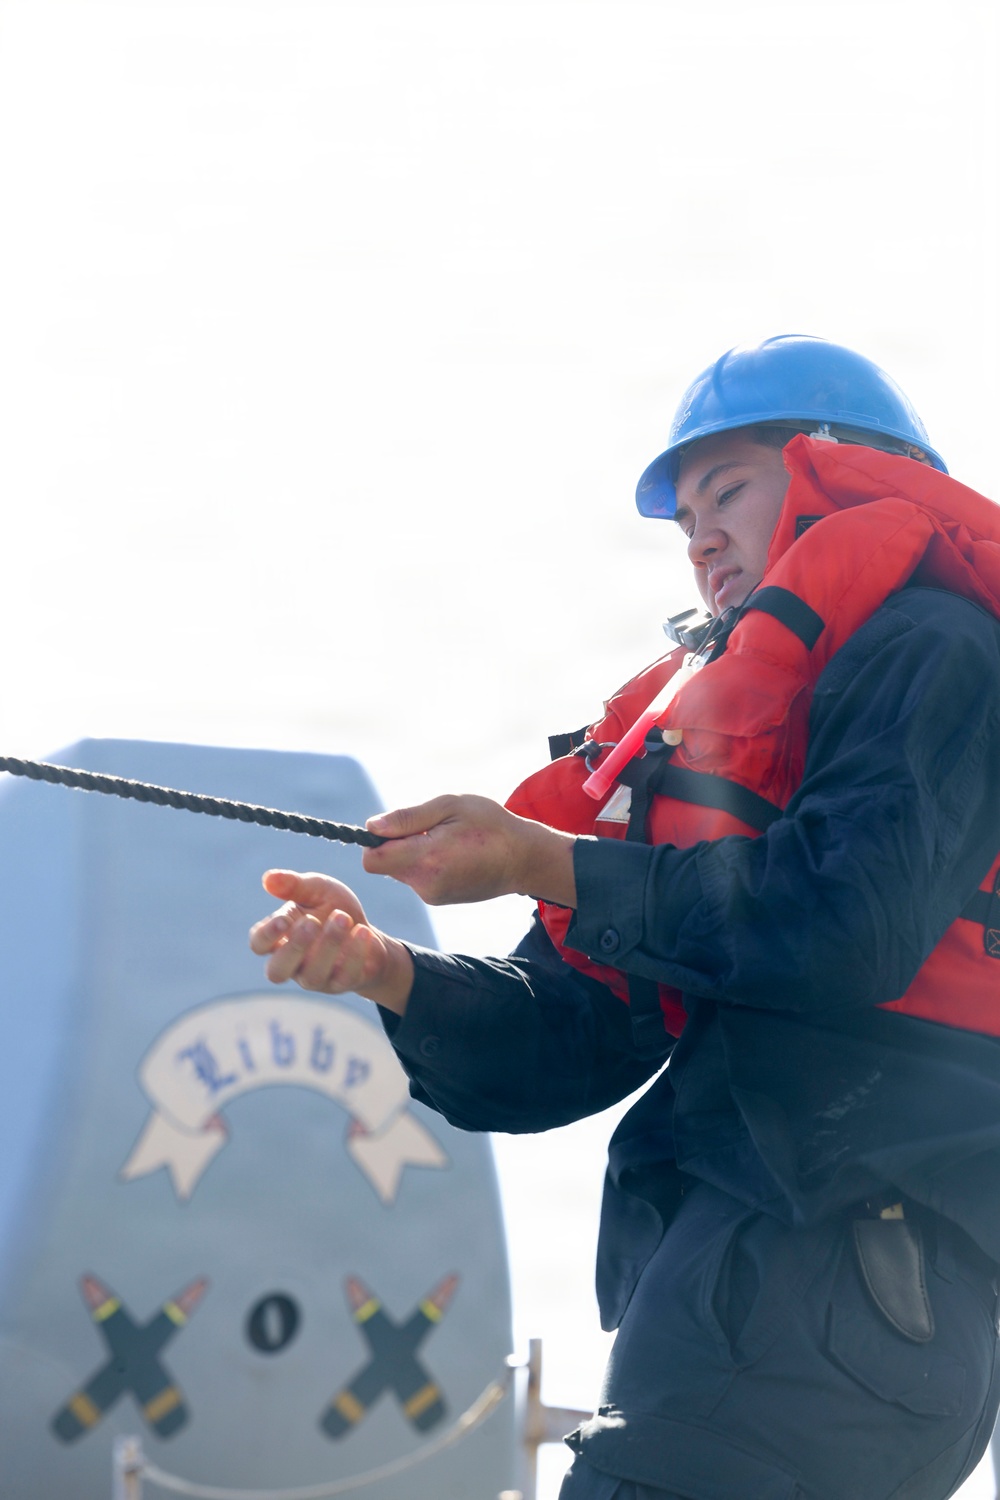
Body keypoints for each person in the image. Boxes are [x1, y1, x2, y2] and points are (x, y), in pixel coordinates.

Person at [250, 335, 1000, 1500]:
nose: (697, 535)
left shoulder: (932, 648)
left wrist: (545, 857)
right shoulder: (731, 748)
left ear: (840, 468)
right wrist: (390, 972)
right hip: (763, 1298)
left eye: (729, 490)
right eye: (682, 514)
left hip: (830, 1273)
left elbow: (842, 925)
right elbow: (575, 1040)